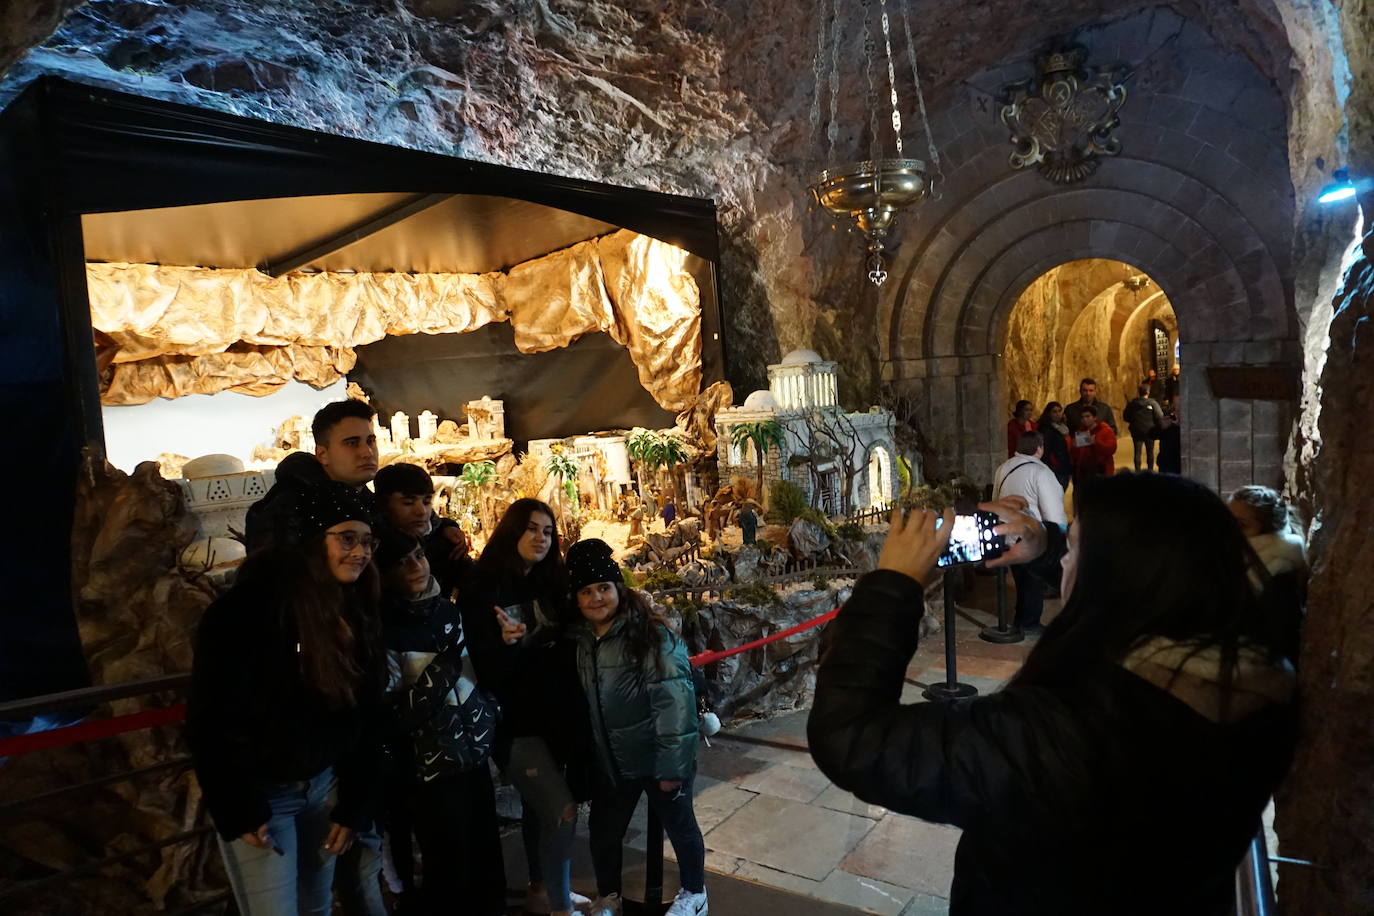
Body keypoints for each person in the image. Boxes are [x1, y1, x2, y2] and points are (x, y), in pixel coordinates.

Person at [808, 475, 1299, 915]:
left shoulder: (1069, 731)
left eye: (1076, 549)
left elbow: (853, 737)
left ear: (1116, 577)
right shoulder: (1259, 677)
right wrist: (1043, 545)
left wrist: (892, 585)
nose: (1063, 561)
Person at [188, 483, 389, 916]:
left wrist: (355, 802)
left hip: (325, 786)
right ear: (313, 541)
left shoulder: (353, 608)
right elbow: (210, 717)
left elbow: (368, 713)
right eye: (347, 538)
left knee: (315, 907)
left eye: (367, 540)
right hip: (264, 797)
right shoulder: (246, 613)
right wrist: (237, 805)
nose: (361, 552)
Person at [463, 499, 592, 916]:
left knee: (541, 810)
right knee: (562, 811)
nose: (540, 538)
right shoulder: (483, 586)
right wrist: (503, 644)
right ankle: (559, 907)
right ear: (513, 530)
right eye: (532, 529)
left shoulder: (553, 582)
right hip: (514, 723)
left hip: (557, 719)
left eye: (548, 531)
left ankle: (543, 887)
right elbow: (480, 668)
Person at [564, 538, 706, 916]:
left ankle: (695, 893)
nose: (597, 598)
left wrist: (672, 768)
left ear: (619, 589)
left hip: (659, 757)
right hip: (615, 762)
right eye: (586, 591)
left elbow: (674, 704)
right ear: (576, 598)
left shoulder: (650, 636)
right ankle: (608, 895)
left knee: (680, 825)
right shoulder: (579, 641)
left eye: (604, 588)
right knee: (604, 833)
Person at [375, 529, 508, 916]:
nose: (416, 566)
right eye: (402, 562)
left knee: (487, 857)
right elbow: (393, 715)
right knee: (449, 868)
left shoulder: (448, 611)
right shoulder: (387, 630)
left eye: (418, 555)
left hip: (473, 753)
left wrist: (489, 712)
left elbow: (475, 674)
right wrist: (441, 670)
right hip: (430, 767)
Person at [246, 399, 380, 553]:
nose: (367, 452)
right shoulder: (290, 509)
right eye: (351, 443)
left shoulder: (371, 503)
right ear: (322, 454)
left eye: (370, 441)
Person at [991, 431, 1067, 634]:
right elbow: (1053, 511)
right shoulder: (1041, 473)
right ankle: (1029, 623)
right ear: (1039, 448)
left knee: (1022, 578)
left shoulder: (1003, 468)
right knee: (1034, 582)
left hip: (1008, 534)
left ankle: (1021, 618)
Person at [374, 462, 472, 596]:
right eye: (408, 503)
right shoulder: (373, 547)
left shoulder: (445, 542)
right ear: (383, 504)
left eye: (426, 502)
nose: (421, 511)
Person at [1122, 384, 1165, 471]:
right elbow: (1160, 416)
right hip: (1150, 431)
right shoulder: (1152, 403)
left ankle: (1137, 472)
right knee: (1150, 453)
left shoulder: (1133, 403)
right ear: (1148, 392)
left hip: (1136, 431)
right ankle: (1150, 471)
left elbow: (1126, 416)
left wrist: (1134, 421)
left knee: (1137, 452)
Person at [1069, 405, 1117, 482]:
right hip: (1084, 471)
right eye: (1082, 417)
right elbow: (1076, 455)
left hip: (1101, 470)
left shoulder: (1106, 431)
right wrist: (1074, 446)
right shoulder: (1080, 433)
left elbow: (1111, 449)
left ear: (1095, 417)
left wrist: (1096, 443)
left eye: (1088, 416)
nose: (1085, 419)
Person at [1034, 402, 1072, 490]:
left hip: (1064, 466)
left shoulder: (1063, 428)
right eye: (1054, 412)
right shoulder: (1046, 430)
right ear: (1049, 414)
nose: (1058, 414)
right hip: (1055, 468)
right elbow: (1046, 451)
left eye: (1059, 411)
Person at [1152, 408, 1182, 474]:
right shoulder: (1168, 421)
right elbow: (1152, 434)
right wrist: (1161, 426)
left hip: (1180, 464)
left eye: (1179, 407)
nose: (1177, 412)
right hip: (1166, 465)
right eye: (1175, 408)